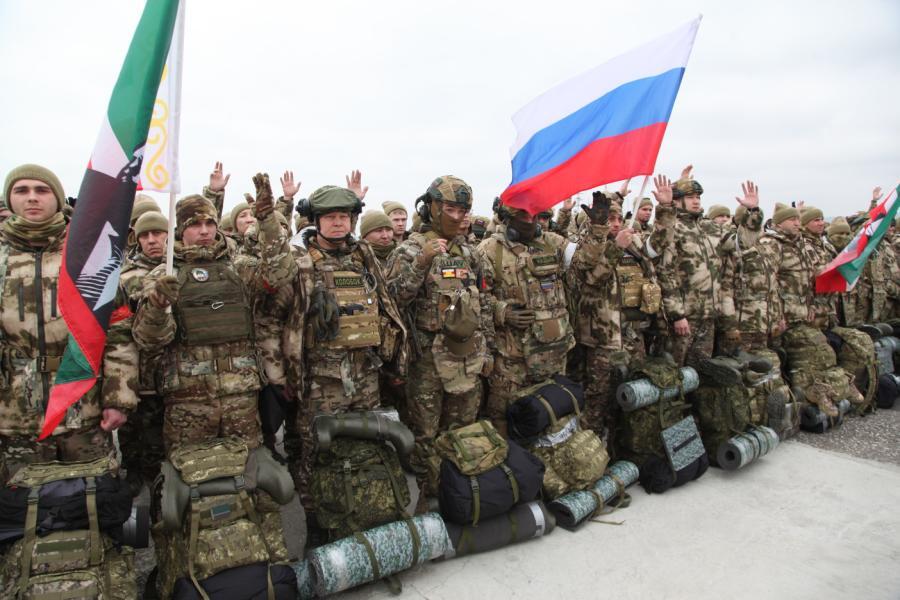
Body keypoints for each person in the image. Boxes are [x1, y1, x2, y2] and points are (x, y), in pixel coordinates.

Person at [132, 174, 296, 453]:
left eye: (210, 224)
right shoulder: (163, 276)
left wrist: (268, 220)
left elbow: (280, 273)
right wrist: (158, 305)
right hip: (188, 398)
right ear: (181, 230)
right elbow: (148, 340)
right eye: (195, 225)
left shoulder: (238, 267)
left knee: (247, 466)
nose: (204, 231)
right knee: (191, 468)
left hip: (240, 393)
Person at [0, 164, 135, 481]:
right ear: (10, 200)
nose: (32, 198)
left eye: (41, 190)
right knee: (23, 503)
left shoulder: (90, 258)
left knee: (91, 497)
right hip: (14, 416)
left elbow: (118, 333)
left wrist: (119, 399)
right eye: (22, 190)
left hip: (83, 407)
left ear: (58, 199)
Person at [283, 185, 407, 511]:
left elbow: (385, 303)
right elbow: (280, 312)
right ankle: (316, 519)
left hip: (365, 371)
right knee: (316, 449)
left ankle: (365, 510)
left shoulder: (362, 255)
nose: (338, 223)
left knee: (370, 442)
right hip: (323, 377)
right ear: (316, 221)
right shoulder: (300, 260)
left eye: (344, 216)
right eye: (330, 217)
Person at [386, 175, 494, 499]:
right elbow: (393, 301)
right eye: (450, 209)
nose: (457, 217)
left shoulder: (469, 252)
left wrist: (488, 350)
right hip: (427, 362)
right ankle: (430, 499)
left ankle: (460, 494)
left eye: (463, 210)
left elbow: (483, 304)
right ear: (431, 207)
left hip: (466, 357)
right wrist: (421, 263)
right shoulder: (409, 250)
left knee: (462, 431)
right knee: (426, 436)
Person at [566, 180, 673, 436]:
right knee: (599, 397)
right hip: (603, 339)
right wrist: (616, 248)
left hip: (633, 333)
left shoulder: (634, 243)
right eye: (610, 219)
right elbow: (592, 279)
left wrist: (666, 208)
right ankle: (593, 444)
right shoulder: (586, 249)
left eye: (618, 219)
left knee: (633, 391)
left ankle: (625, 442)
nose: (615, 224)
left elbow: (659, 244)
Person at [476, 200, 575, 436]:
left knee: (550, 412)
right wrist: (503, 311)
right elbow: (476, 297)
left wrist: (599, 226)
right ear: (508, 218)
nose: (531, 222)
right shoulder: (488, 250)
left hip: (553, 354)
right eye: (524, 216)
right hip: (512, 358)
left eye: (535, 216)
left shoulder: (552, 243)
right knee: (505, 417)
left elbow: (587, 263)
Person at [115, 211, 170, 494]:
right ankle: (133, 471)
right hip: (140, 369)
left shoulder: (178, 269)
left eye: (157, 233)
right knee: (135, 429)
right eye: (145, 235)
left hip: (174, 370)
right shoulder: (126, 278)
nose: (152, 240)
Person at [657, 170, 735, 368]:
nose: (696, 201)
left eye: (698, 197)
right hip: (685, 316)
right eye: (690, 197)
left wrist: (752, 213)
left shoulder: (710, 228)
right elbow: (666, 273)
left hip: (708, 314)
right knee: (676, 370)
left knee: (702, 368)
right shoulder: (673, 228)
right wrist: (677, 315)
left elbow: (742, 243)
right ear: (677, 201)